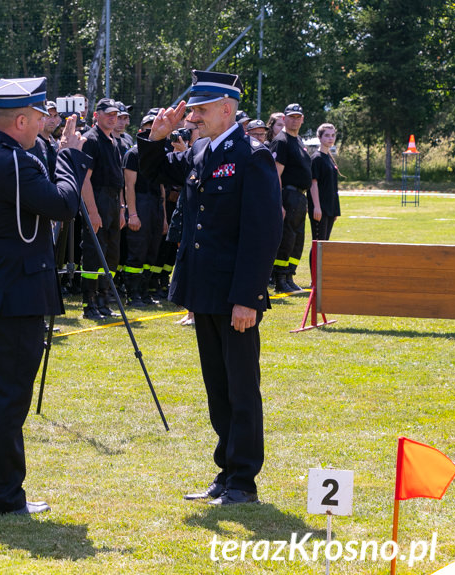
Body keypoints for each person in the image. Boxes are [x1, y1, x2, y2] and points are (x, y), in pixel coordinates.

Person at [139, 70, 282, 505]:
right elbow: (158, 173)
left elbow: (263, 233)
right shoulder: (202, 150)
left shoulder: (252, 155)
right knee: (217, 387)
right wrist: (155, 138)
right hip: (205, 289)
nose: (193, 118)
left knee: (241, 386)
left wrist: (248, 298)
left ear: (226, 109)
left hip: (233, 292)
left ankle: (243, 481)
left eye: (200, 110)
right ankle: (226, 470)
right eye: (193, 110)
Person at [0, 77, 88, 515]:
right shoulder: (14, 162)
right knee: (7, 400)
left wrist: (55, 153)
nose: (44, 124)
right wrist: (70, 155)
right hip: (13, 295)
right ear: (19, 119)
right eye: (38, 117)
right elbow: (64, 204)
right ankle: (1, 497)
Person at [80, 97, 124, 319]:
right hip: (97, 199)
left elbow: (119, 179)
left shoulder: (114, 141)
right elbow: (84, 180)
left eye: (115, 114)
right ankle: (89, 304)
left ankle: (104, 300)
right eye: (108, 113)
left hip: (114, 201)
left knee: (111, 254)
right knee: (93, 254)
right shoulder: (91, 140)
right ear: (96, 115)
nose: (113, 117)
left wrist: (122, 208)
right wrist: (93, 211)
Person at [121, 115, 167, 307]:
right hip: (140, 203)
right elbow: (128, 186)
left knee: (152, 250)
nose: (151, 133)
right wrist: (132, 214)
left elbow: (162, 185)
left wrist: (164, 217)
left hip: (155, 204)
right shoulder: (133, 154)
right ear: (140, 131)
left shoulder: (159, 154)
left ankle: (145, 290)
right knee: (137, 250)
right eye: (147, 129)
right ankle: (133, 293)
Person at [270, 103, 311, 294]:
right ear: (284, 118)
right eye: (291, 117)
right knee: (286, 238)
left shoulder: (299, 140)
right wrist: (278, 203)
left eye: (298, 117)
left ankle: (289, 275)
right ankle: (279, 278)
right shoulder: (282, 141)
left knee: (297, 238)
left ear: (302, 119)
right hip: (288, 194)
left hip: (300, 196)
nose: (295, 120)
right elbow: (275, 174)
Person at [309, 123, 341, 245]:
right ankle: (315, 265)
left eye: (332, 135)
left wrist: (334, 209)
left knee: (325, 244)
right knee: (319, 243)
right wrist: (317, 207)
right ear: (319, 137)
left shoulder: (329, 157)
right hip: (320, 208)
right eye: (327, 135)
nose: (330, 138)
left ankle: (321, 265)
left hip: (330, 208)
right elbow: (313, 184)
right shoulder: (316, 158)